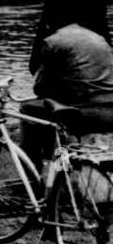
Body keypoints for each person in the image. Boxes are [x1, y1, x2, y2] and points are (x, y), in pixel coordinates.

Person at [21, 19, 113, 166]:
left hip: (85, 110)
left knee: (28, 109)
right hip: (110, 108)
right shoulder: (98, 38)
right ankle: (60, 164)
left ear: (49, 24)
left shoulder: (53, 41)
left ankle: (33, 174)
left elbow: (40, 88)